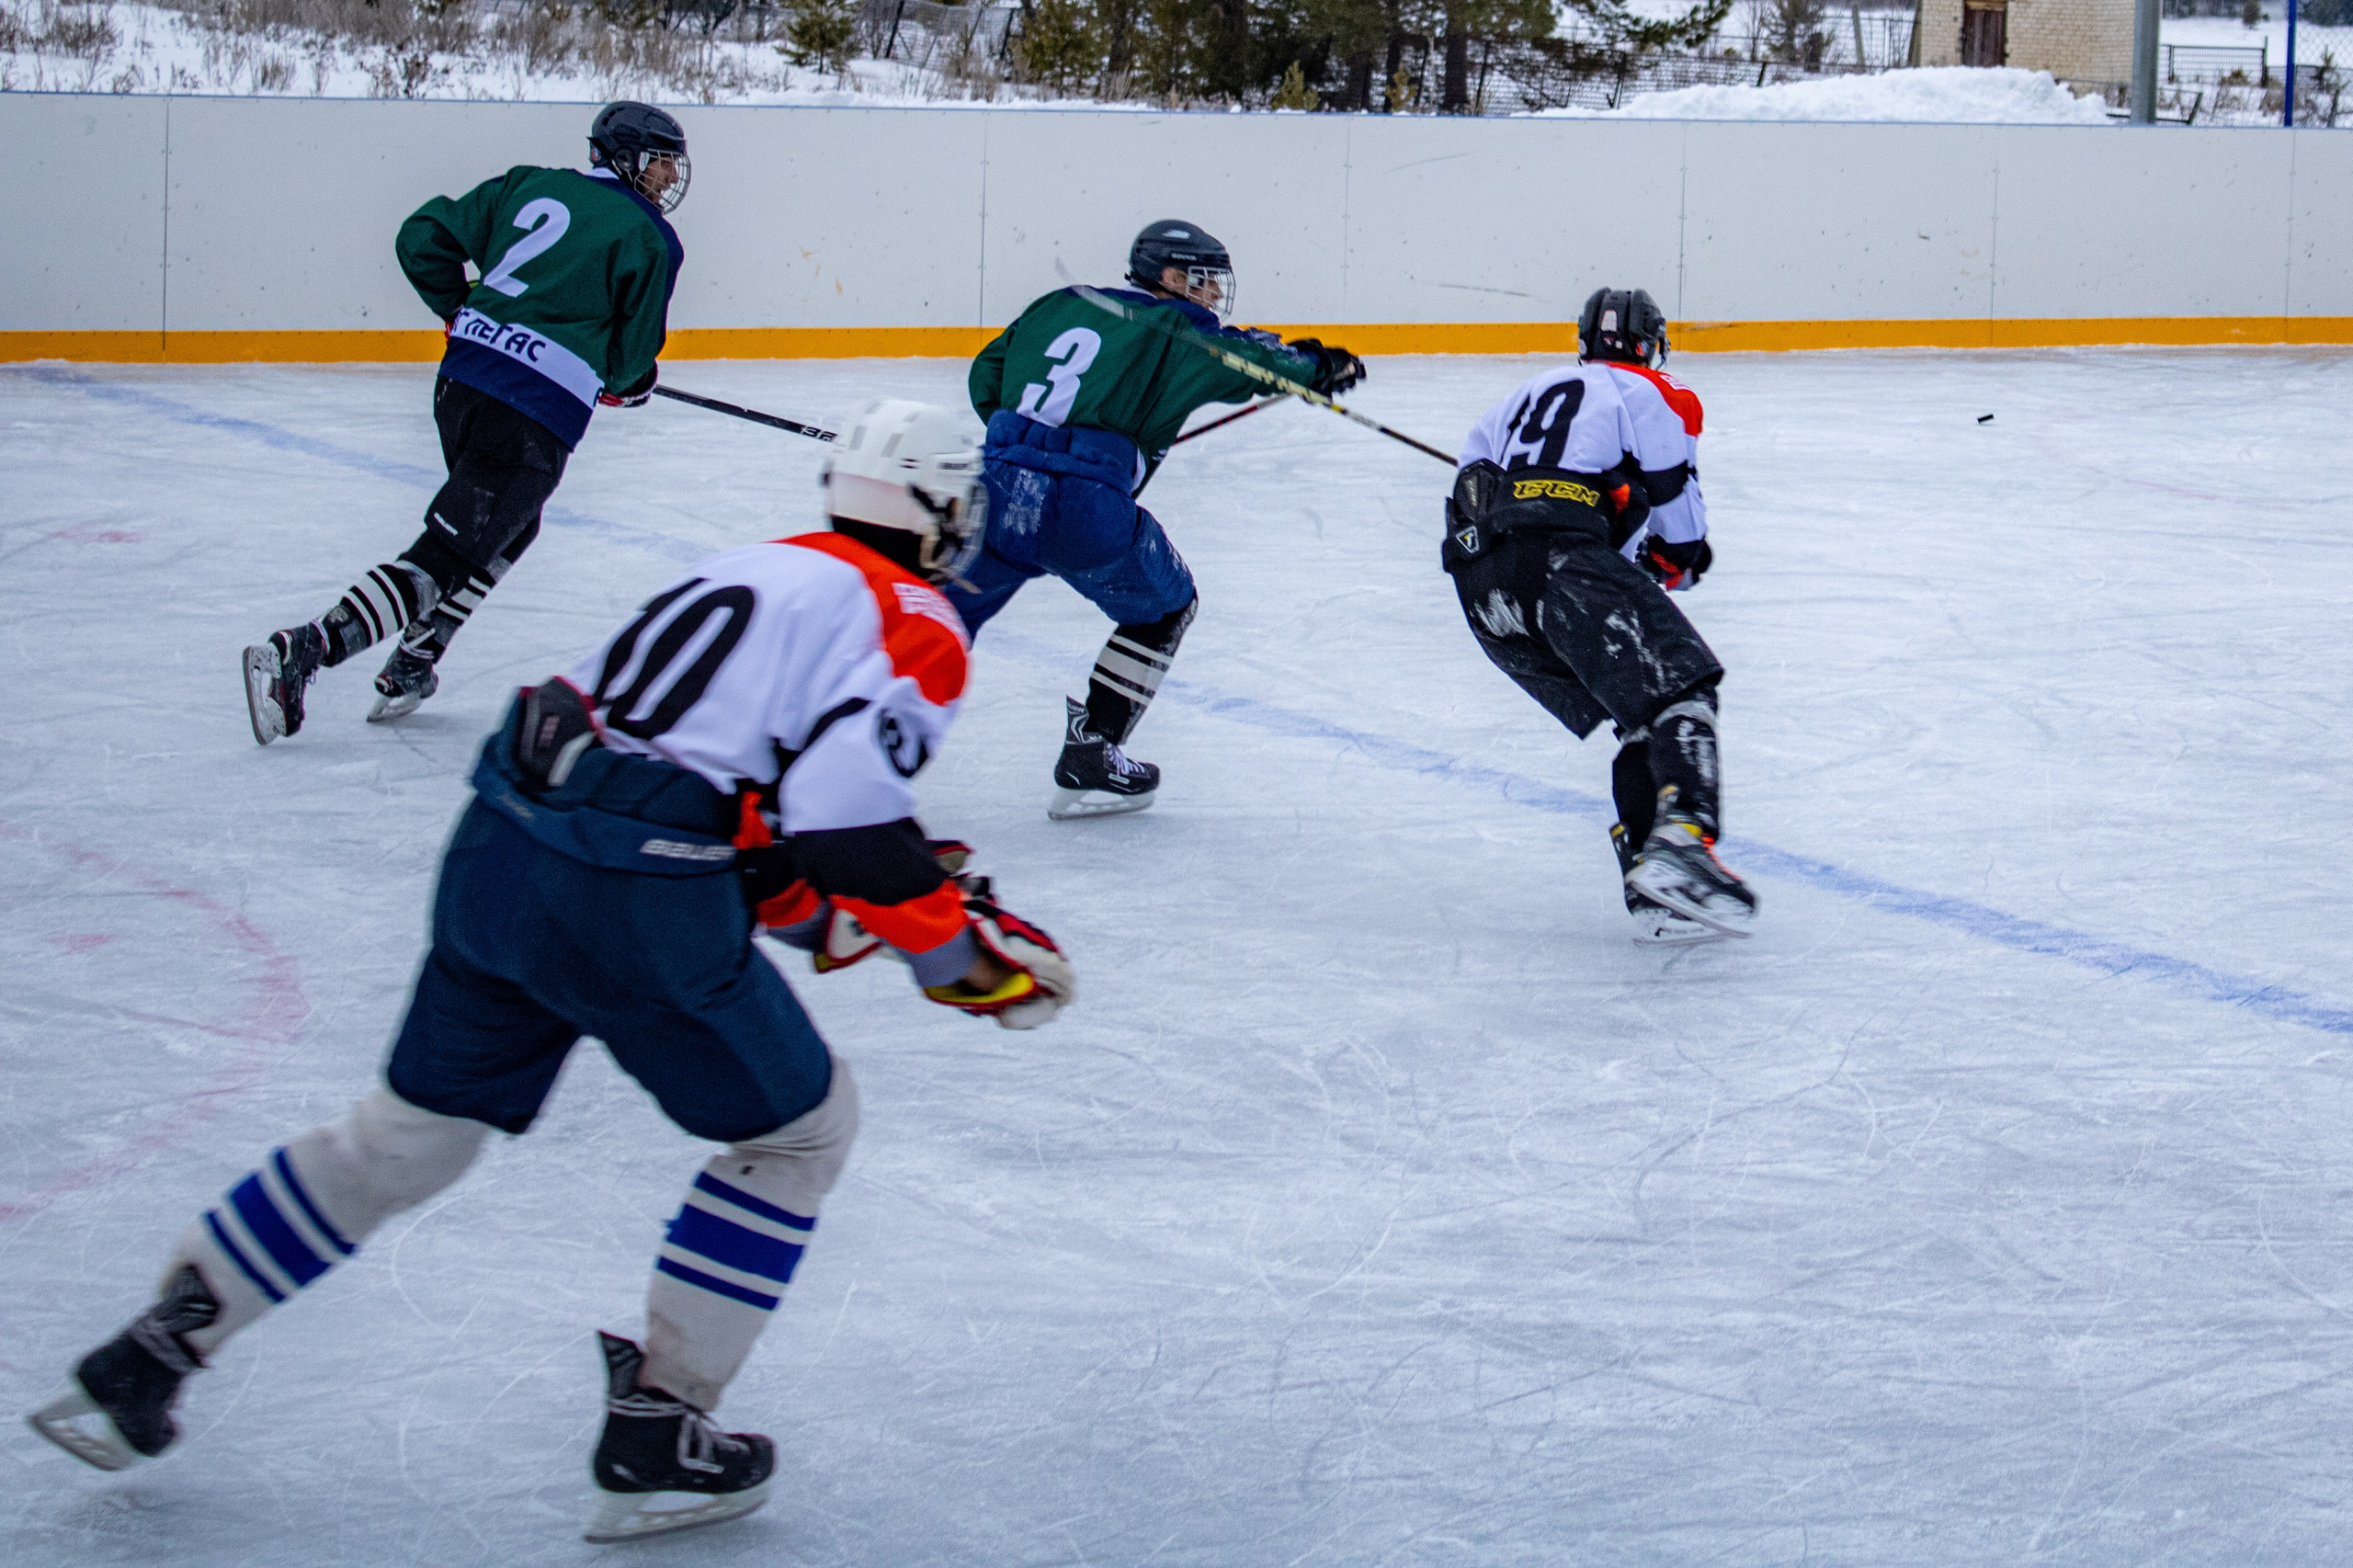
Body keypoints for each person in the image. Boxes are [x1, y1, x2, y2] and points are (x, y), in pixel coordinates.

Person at [37, 401, 1077, 1546]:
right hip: (639, 897)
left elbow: (663, 762)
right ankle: (659, 1430)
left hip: (500, 853)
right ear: (937, 508)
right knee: (801, 1133)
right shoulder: (917, 616)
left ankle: (150, 1349)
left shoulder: (751, 565)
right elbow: (835, 821)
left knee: (407, 1133)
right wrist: (964, 960)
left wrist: (803, 906)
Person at [243, 101, 691, 745]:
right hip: (529, 415)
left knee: (510, 528)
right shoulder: (650, 237)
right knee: (450, 552)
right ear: (631, 159)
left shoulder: (526, 185)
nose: (669, 179)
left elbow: (420, 237)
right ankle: (304, 650)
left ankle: (415, 659)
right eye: (663, 163)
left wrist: (460, 309)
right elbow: (626, 365)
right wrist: (632, 382)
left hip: (461, 386)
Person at [963, 220, 1365, 819]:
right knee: (1166, 606)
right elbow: (1250, 359)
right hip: (1084, 507)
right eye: (1204, 282)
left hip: (993, 489)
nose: (1212, 296)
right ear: (1171, 276)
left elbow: (986, 380)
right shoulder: (1180, 326)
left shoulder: (1057, 304)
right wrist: (1315, 365)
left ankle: (828, 745)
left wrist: (1024, 449)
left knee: (933, 618)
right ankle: (1093, 752)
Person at [1443, 287, 1757, 943]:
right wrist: (1681, 558)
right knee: (1680, 687)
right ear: (1650, 344)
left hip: (1485, 594)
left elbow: (1470, 497)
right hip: (1559, 567)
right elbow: (1677, 511)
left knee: (1638, 717)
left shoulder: (1520, 396)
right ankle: (1682, 849)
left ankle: (1651, 881)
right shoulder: (1652, 392)